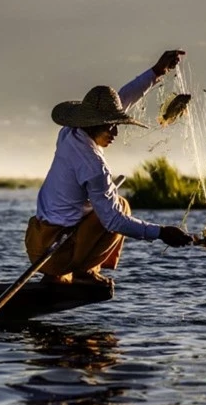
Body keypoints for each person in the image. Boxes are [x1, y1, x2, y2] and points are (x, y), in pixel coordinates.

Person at [26, 49, 196, 286]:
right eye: (110, 127)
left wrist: (157, 71)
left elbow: (124, 98)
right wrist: (161, 232)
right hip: (55, 251)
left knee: (106, 208)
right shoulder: (93, 165)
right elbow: (114, 222)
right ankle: (82, 271)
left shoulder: (69, 133)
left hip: (37, 242)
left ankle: (63, 272)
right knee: (121, 208)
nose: (115, 132)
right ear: (93, 124)